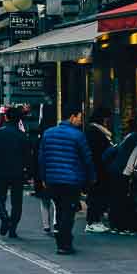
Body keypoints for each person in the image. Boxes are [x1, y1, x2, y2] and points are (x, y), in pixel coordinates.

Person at [37, 105, 95, 255]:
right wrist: (91, 177)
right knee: (68, 213)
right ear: (72, 117)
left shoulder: (48, 134)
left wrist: (43, 177)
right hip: (71, 180)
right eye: (79, 118)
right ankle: (64, 244)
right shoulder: (77, 135)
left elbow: (42, 158)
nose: (80, 121)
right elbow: (87, 158)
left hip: (52, 180)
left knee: (60, 209)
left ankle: (62, 240)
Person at [0, 105, 30, 238]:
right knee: (17, 202)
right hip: (18, 172)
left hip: (1, 170)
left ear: (6, 117)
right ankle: (13, 228)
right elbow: (28, 156)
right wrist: (29, 172)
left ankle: (4, 218)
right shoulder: (22, 136)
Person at [83, 111, 114, 234]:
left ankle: (95, 221)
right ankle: (92, 222)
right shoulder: (95, 132)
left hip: (97, 169)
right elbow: (100, 151)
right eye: (106, 120)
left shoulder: (93, 131)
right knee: (96, 195)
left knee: (96, 195)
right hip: (98, 169)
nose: (108, 122)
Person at [29, 113, 57, 234]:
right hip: (53, 174)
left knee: (44, 201)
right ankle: (56, 223)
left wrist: (33, 176)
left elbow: (34, 160)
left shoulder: (38, 142)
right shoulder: (54, 140)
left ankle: (46, 225)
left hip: (40, 175)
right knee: (56, 201)